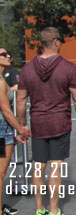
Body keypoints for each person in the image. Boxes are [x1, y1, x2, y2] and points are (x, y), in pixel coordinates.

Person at [17, 28, 76, 215]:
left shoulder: (27, 69)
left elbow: (21, 100)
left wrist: (22, 125)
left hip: (38, 123)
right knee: (56, 165)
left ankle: (40, 208)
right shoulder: (68, 68)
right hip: (59, 122)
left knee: (38, 165)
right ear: (56, 42)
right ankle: (54, 210)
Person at [0, 47, 29, 215]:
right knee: (1, 172)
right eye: (3, 54)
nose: (8, 56)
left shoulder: (3, 80)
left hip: (4, 127)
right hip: (2, 128)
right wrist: (20, 129)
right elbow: (5, 110)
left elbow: (8, 95)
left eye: (8, 53)